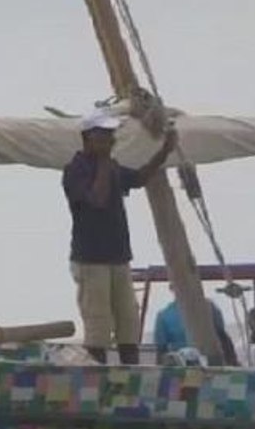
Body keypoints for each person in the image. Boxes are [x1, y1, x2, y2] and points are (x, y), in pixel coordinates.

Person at [62, 108, 176, 365]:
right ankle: (97, 377)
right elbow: (98, 200)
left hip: (117, 256)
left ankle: (131, 373)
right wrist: (103, 162)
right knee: (98, 326)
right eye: (104, 135)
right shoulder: (75, 170)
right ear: (88, 137)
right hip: (91, 258)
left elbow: (138, 178)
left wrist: (164, 152)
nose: (111, 141)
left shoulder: (111, 166)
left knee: (128, 323)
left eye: (111, 135)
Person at [153, 287, 239, 365]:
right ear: (172, 288)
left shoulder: (210, 308)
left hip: (211, 364)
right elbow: (161, 350)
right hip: (181, 367)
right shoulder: (164, 315)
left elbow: (222, 337)